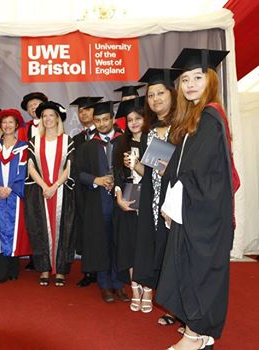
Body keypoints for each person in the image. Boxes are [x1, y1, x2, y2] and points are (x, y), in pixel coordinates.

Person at [157, 48, 236, 350]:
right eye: (185, 79)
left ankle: (196, 333)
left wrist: (172, 202)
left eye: (197, 78)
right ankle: (200, 333)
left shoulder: (210, 117)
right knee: (191, 267)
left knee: (199, 270)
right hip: (192, 207)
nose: (189, 84)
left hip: (204, 211)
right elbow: (183, 167)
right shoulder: (196, 117)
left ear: (211, 80)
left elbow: (197, 171)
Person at [132, 68, 181, 323]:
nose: (155, 99)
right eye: (151, 95)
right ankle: (170, 305)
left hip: (176, 199)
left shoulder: (183, 125)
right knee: (160, 250)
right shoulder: (150, 131)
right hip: (154, 200)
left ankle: (178, 311)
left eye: (160, 93)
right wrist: (135, 164)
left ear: (172, 95)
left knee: (176, 252)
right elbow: (149, 169)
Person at [75, 100, 129, 303]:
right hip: (98, 203)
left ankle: (119, 284)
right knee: (101, 243)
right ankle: (105, 284)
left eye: (106, 119)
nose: (102, 124)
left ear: (113, 119)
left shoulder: (124, 141)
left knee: (119, 242)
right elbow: (78, 173)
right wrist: (96, 180)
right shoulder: (88, 146)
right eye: (98, 120)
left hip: (121, 201)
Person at [25, 101, 75, 287]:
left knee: (63, 229)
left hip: (61, 191)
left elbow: (69, 167)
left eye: (51, 115)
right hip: (40, 192)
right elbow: (30, 167)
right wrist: (45, 186)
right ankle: (44, 269)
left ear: (57, 118)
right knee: (40, 229)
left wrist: (54, 186)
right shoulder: (34, 142)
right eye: (44, 116)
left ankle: (60, 270)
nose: (47, 119)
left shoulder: (67, 140)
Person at [0, 109, 31, 285]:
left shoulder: (24, 148)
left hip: (15, 196)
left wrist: (12, 188)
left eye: (10, 122)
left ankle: (12, 269)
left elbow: (26, 172)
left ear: (16, 125)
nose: (7, 125)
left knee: (14, 230)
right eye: (4, 122)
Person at [111, 96, 146, 310]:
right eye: (130, 119)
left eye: (138, 118)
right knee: (130, 247)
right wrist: (119, 198)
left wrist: (137, 164)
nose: (133, 123)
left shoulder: (153, 141)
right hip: (128, 199)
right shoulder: (120, 143)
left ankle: (147, 287)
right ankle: (135, 288)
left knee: (146, 247)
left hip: (150, 201)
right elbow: (116, 175)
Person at [70, 95, 102, 288]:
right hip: (83, 191)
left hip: (101, 190)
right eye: (80, 111)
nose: (83, 114)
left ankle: (105, 271)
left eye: (87, 110)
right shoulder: (77, 138)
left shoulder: (106, 135)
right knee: (86, 231)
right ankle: (89, 271)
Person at [18, 91, 48, 272]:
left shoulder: (54, 125)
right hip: (30, 179)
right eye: (30, 107)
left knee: (49, 218)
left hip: (51, 178)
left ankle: (51, 255)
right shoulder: (24, 129)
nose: (33, 108)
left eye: (36, 105)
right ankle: (35, 256)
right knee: (33, 218)